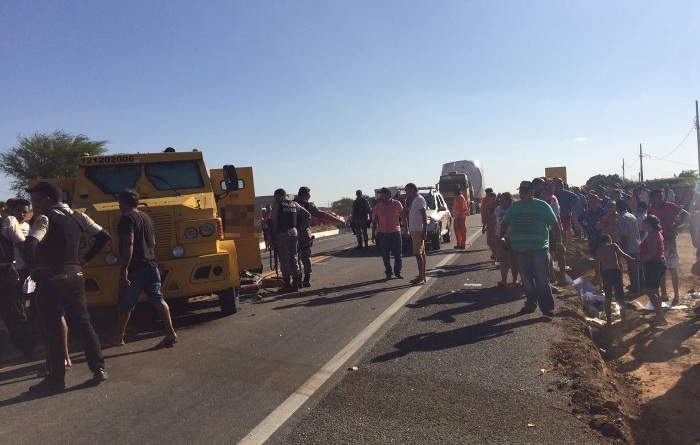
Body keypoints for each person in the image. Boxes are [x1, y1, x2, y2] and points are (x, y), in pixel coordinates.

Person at [22, 182, 111, 392]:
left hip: (51, 278)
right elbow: (103, 236)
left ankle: (56, 379)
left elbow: (30, 244)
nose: (36, 205)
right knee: (84, 323)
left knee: (52, 329)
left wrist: (35, 267)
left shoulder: (44, 219)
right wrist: (85, 259)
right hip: (75, 275)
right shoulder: (79, 216)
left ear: (48, 199)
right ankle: (98, 368)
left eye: (37, 201)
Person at [108, 189, 178, 347]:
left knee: (126, 303)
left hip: (136, 267)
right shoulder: (146, 218)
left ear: (123, 203)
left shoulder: (126, 218)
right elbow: (153, 242)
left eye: (119, 202)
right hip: (152, 265)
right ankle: (170, 332)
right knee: (158, 298)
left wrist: (125, 268)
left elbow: (129, 243)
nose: (119, 205)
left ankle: (118, 337)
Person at [499, 181, 562, 317]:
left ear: (532, 193)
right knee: (526, 280)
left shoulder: (543, 206)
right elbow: (505, 222)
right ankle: (531, 303)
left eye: (525, 192)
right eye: (521, 192)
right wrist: (502, 237)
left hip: (539, 249)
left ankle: (547, 308)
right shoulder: (514, 207)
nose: (522, 194)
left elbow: (555, 224)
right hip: (520, 250)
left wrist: (559, 242)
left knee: (541, 280)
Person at [0, 200, 34, 362]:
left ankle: (27, 350)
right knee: (13, 314)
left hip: (6, 272)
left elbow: (21, 244)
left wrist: (32, 266)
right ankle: (26, 350)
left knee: (14, 313)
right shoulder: (8, 221)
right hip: (7, 272)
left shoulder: (8, 221)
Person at [294, 187, 344, 288]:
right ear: (305, 194)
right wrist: (338, 220)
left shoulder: (291, 204)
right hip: (304, 233)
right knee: (306, 256)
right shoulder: (308, 205)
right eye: (309, 194)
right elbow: (322, 215)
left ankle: (297, 280)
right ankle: (306, 279)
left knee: (295, 257)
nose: (310, 196)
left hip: (292, 233)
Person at [648, 188, 690, 305]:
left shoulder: (670, 206)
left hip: (669, 241)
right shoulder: (651, 210)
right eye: (658, 196)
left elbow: (686, 215)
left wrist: (675, 227)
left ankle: (676, 296)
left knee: (672, 268)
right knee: (661, 269)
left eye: (661, 196)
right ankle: (664, 294)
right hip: (658, 242)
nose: (660, 198)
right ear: (653, 198)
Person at [270, 188, 310, 293]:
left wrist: (273, 236)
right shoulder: (294, 204)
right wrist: (300, 229)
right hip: (294, 233)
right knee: (294, 257)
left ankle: (287, 284)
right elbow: (307, 215)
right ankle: (296, 283)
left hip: (282, 234)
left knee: (285, 259)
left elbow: (274, 221)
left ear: (278, 195)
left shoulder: (278, 204)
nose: (274, 199)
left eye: (275, 196)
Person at [595, 234, 635, 327]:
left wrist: (600, 284)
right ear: (609, 240)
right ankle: (624, 322)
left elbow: (597, 270)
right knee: (620, 298)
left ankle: (609, 322)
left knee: (608, 298)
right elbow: (623, 255)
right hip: (615, 272)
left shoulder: (598, 252)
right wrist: (633, 260)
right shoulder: (613, 246)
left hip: (605, 274)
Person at [638, 216, 667, 326]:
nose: (642, 223)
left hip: (654, 264)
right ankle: (659, 316)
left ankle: (661, 317)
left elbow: (652, 253)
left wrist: (639, 261)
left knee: (650, 290)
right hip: (658, 263)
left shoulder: (652, 235)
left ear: (649, 224)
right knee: (654, 291)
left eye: (644, 222)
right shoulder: (655, 233)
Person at [371, 187, 404, 280]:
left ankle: (397, 272)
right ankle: (388, 273)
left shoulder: (397, 204)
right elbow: (375, 221)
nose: (381, 197)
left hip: (395, 232)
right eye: (380, 195)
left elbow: (403, 217)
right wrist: (373, 234)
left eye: (382, 195)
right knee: (385, 256)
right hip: (383, 234)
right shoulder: (378, 206)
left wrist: (406, 229)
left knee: (398, 255)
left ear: (388, 195)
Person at [615, 200, 643, 296]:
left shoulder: (621, 218)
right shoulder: (631, 215)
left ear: (617, 207)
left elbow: (624, 235)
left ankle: (635, 290)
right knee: (638, 269)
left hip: (629, 247)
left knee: (632, 269)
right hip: (636, 245)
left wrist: (621, 249)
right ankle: (641, 287)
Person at [494, 192, 518, 286]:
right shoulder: (498, 209)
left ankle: (515, 280)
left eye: (502, 200)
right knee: (503, 260)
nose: (500, 201)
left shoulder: (514, 209)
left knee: (513, 260)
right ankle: (504, 280)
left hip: (512, 237)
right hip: (500, 236)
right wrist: (493, 234)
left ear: (508, 200)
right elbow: (494, 221)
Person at [405, 183, 427, 285]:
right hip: (415, 230)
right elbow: (406, 214)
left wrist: (425, 230)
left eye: (408, 191)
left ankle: (421, 277)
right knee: (421, 253)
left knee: (418, 254)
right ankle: (422, 275)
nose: (407, 193)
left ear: (413, 189)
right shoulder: (414, 200)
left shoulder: (419, 200)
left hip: (418, 230)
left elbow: (424, 214)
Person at [451, 185, 469, 249]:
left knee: (462, 231)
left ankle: (462, 244)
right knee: (457, 231)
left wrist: (458, 216)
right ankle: (459, 244)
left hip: (460, 217)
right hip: (457, 217)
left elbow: (461, 208)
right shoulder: (457, 197)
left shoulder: (460, 197)